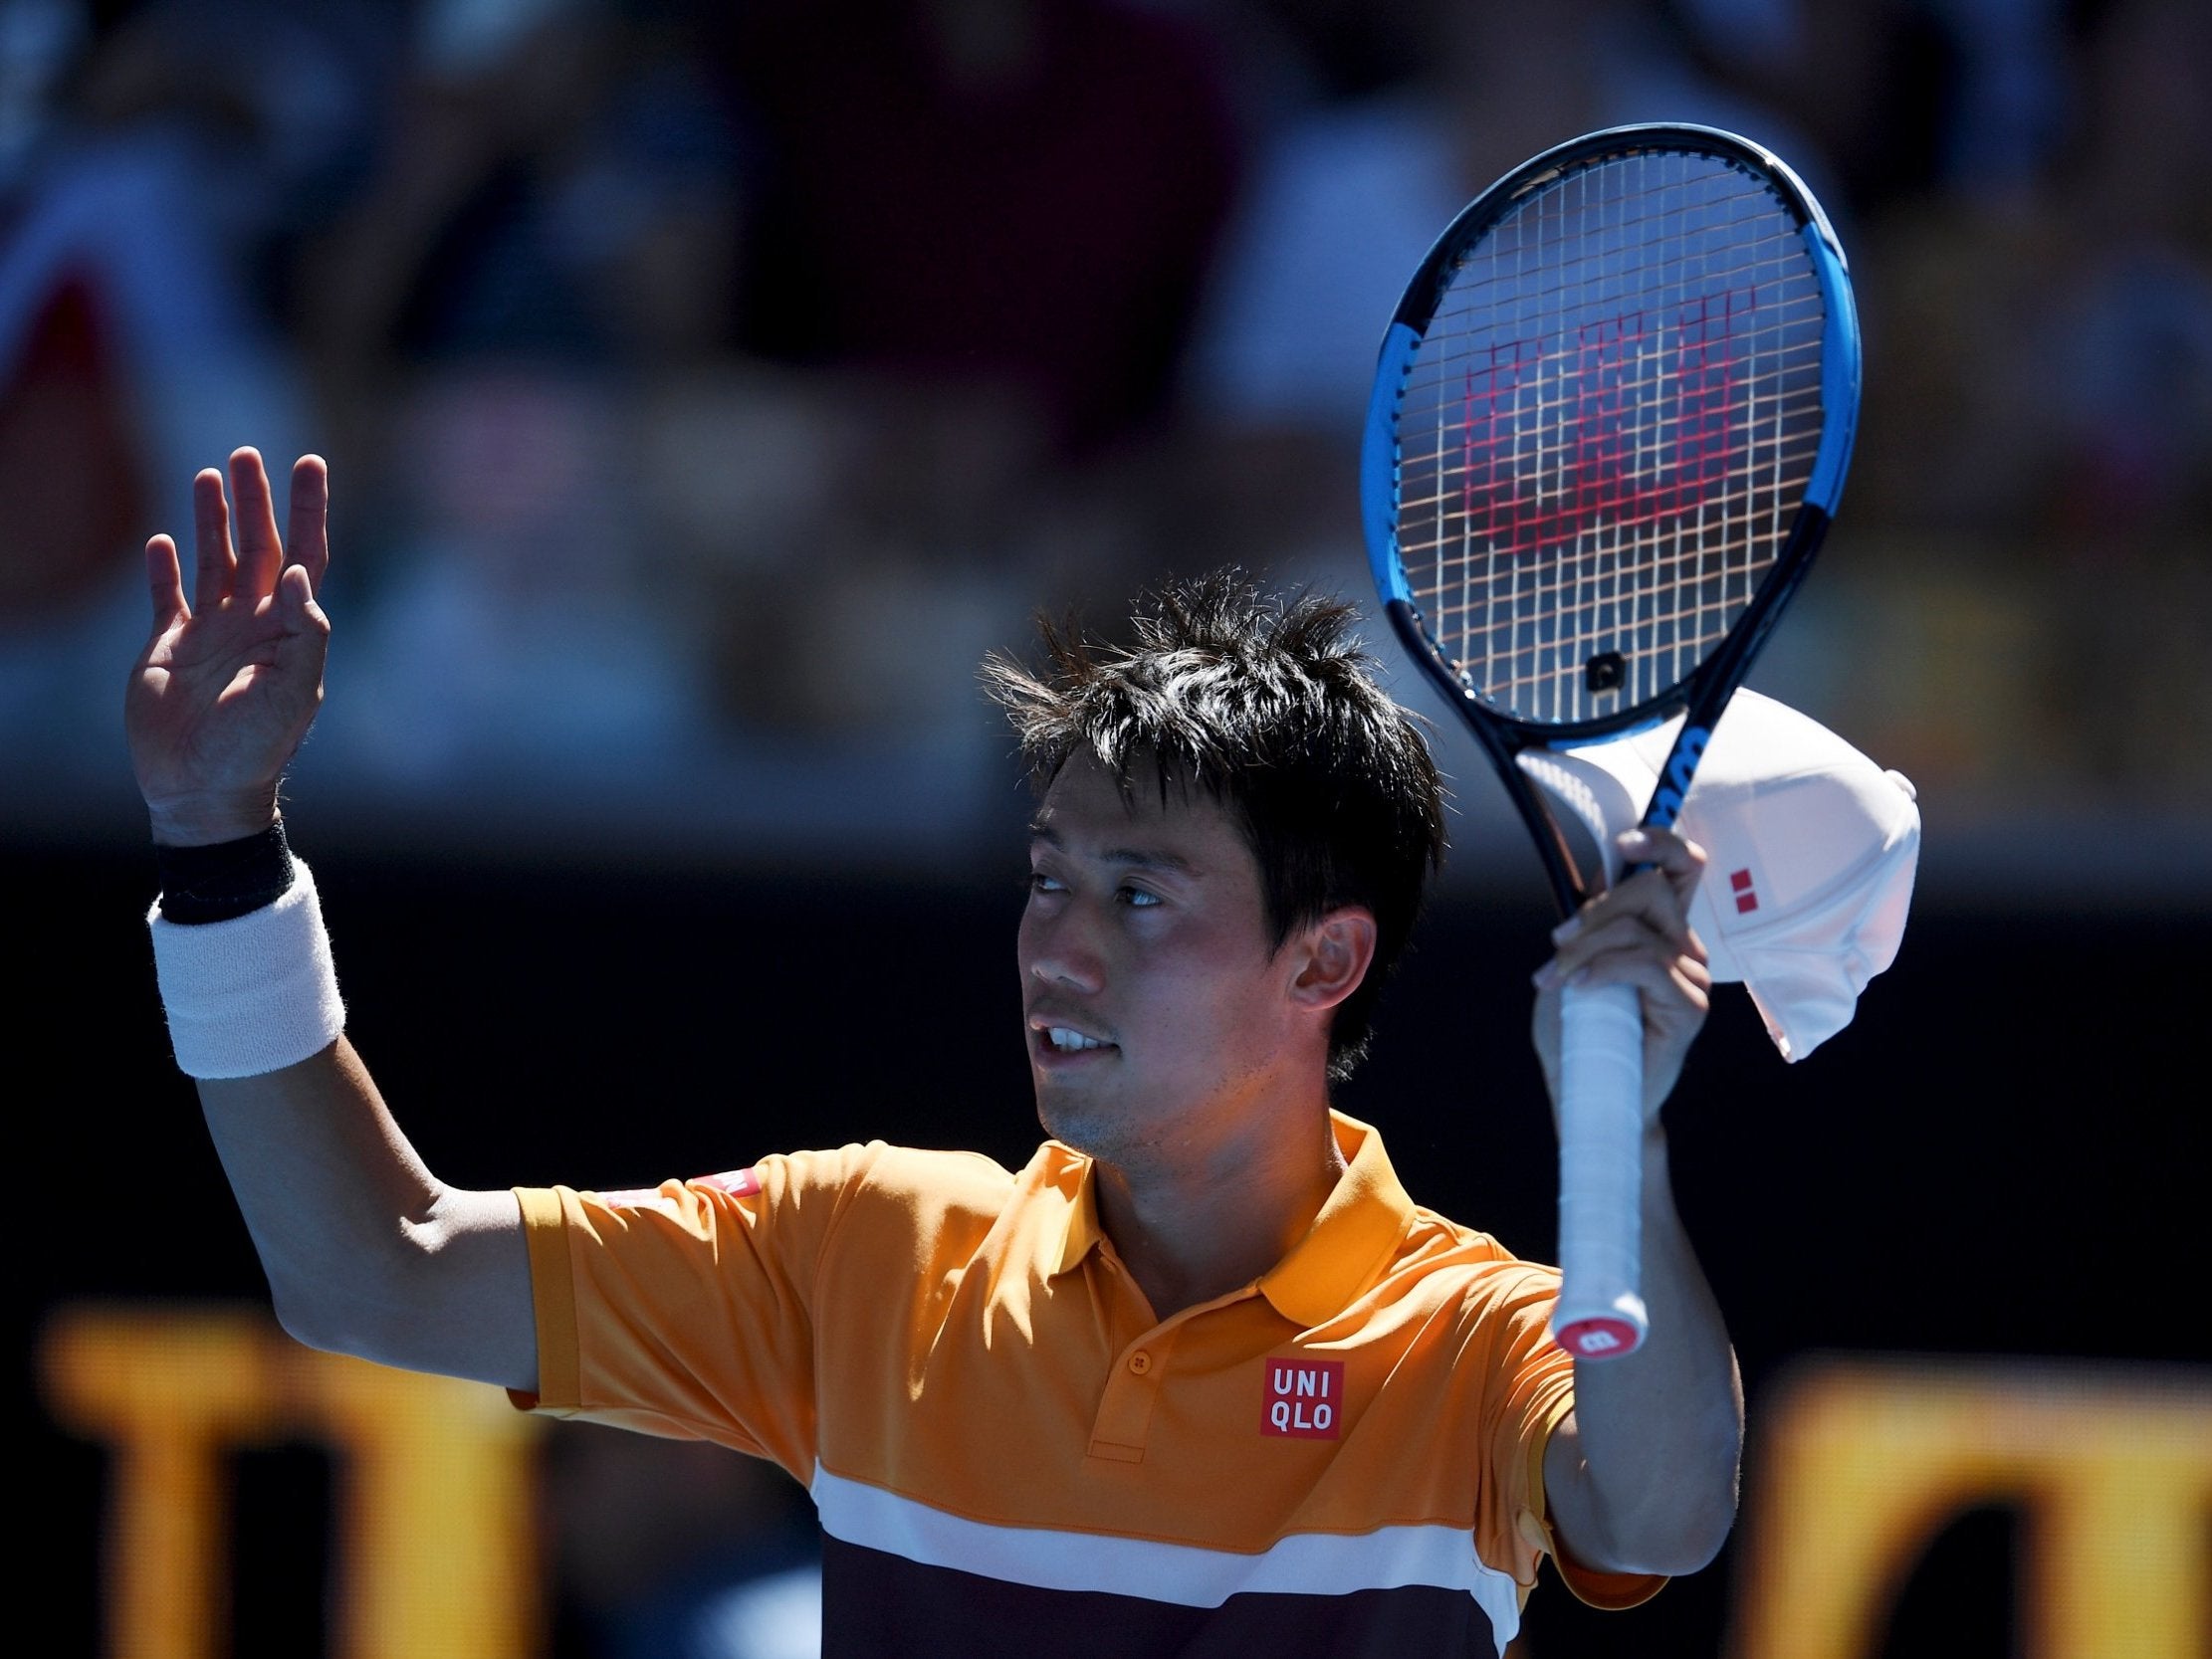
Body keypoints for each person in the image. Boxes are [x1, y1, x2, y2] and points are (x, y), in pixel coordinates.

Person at [129, 448, 1740, 1657]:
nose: (1057, 944)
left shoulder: (1473, 1341)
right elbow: (371, 1270)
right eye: (1046, 880)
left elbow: (1658, 1510)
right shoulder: (868, 1253)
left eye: (1138, 893)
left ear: (1320, 958)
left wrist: (1634, 1138)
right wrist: (218, 846)